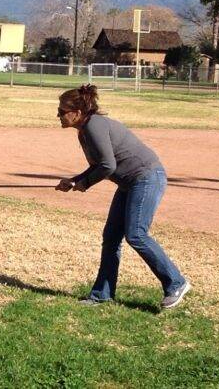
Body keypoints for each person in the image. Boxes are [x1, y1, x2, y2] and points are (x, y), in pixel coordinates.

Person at [55, 84, 190, 309]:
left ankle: (176, 282)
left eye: (61, 111)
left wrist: (84, 183)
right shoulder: (85, 131)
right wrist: (75, 180)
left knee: (136, 234)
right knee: (111, 237)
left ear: (77, 113)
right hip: (129, 182)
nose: (58, 116)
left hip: (146, 177)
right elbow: (101, 164)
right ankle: (102, 294)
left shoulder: (94, 127)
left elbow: (108, 165)